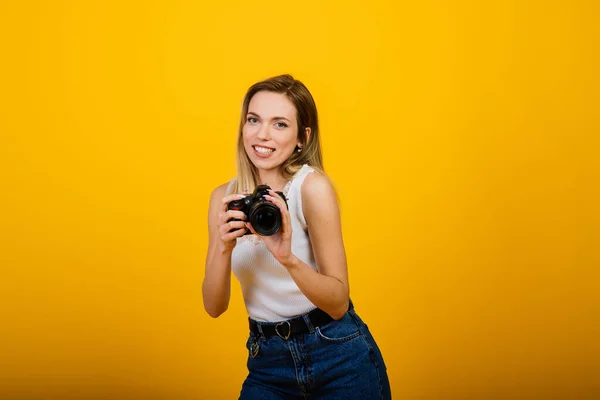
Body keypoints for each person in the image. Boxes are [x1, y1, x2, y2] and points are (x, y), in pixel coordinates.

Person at [203, 74, 391, 399]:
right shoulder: (225, 199)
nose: (262, 134)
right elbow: (214, 306)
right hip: (268, 363)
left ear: (302, 136)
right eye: (254, 119)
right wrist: (222, 245)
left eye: (279, 124)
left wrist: (287, 258)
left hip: (337, 355)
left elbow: (337, 303)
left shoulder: (311, 188)